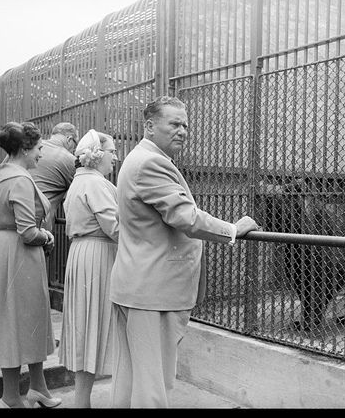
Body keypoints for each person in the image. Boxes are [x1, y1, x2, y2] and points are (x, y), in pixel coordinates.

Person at [109, 96, 260, 408]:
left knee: (133, 379)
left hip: (139, 287)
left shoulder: (140, 158)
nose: (182, 131)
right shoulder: (151, 162)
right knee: (154, 386)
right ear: (149, 126)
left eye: (185, 125)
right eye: (174, 124)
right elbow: (186, 217)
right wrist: (232, 229)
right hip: (153, 291)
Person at [0, 121, 61, 409]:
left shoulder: (4, 173)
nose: (40, 155)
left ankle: (38, 388)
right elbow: (28, 232)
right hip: (18, 254)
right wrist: (47, 235)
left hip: (7, 252)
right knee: (14, 323)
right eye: (38, 149)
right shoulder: (20, 179)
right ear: (25, 148)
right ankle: (10, 397)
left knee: (27, 319)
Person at [58, 129, 119, 408]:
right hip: (97, 254)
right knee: (94, 324)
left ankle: (82, 401)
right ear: (96, 155)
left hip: (82, 254)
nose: (116, 158)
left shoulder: (79, 182)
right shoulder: (96, 183)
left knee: (86, 326)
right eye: (112, 151)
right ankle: (83, 402)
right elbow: (114, 227)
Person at [29, 122, 78, 233]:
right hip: (37, 225)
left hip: (5, 217)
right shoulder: (70, 160)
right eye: (75, 144)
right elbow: (79, 195)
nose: (74, 149)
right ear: (69, 139)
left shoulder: (29, 148)